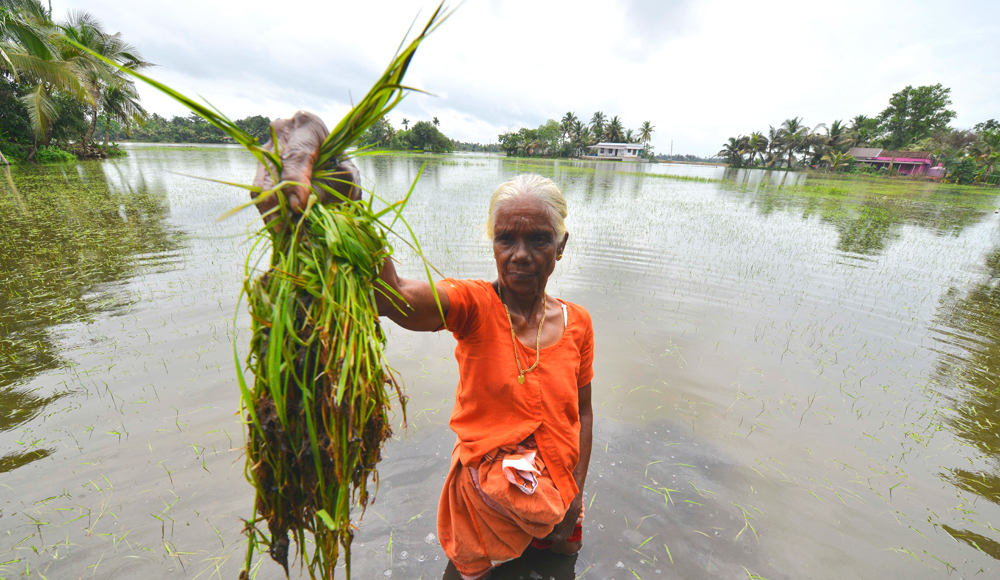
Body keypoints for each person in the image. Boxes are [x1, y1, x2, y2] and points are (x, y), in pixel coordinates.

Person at [254, 112, 594, 580]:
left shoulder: (578, 323)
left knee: (561, 569)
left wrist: (575, 493)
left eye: (538, 239)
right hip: (487, 505)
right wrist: (343, 212)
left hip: (558, 497)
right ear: (492, 245)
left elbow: (584, 412)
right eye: (505, 238)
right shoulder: (474, 305)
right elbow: (391, 296)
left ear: (561, 246)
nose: (520, 254)